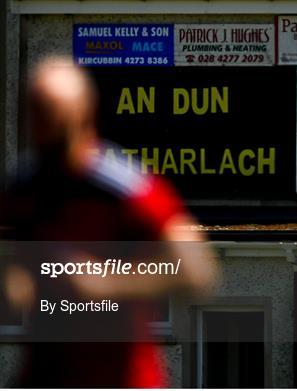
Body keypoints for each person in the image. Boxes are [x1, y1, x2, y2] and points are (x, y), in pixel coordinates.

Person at [0, 57, 217, 387]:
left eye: (54, 120)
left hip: (123, 379)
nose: (44, 135)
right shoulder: (23, 189)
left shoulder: (127, 188)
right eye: (37, 117)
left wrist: (107, 283)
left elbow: (197, 271)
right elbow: (20, 269)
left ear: (83, 115)